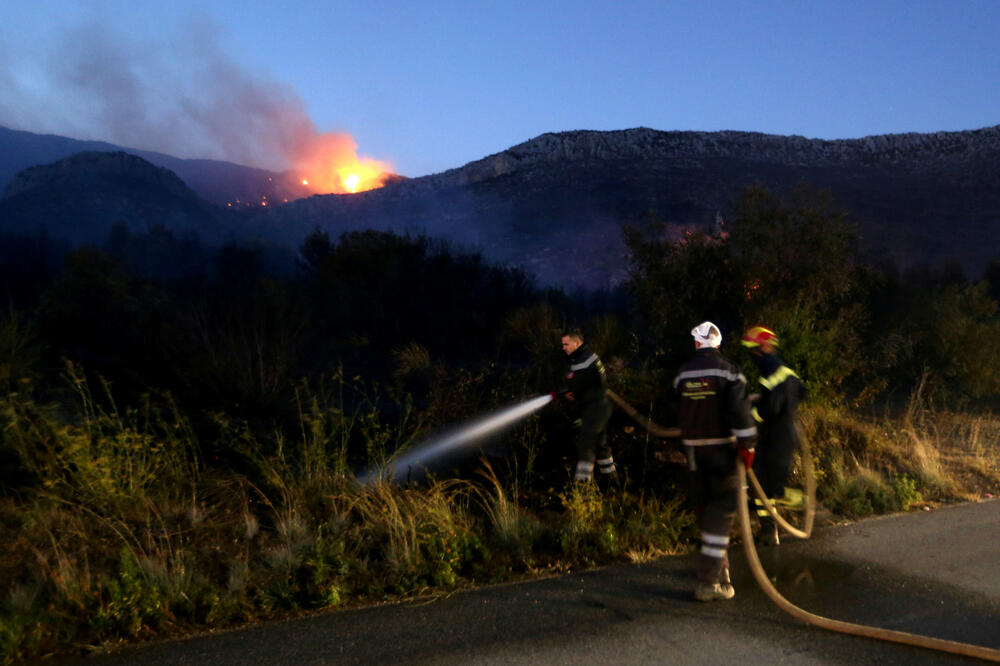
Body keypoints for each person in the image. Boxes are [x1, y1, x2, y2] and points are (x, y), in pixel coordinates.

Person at [673, 321, 757, 601]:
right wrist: (748, 447)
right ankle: (708, 584)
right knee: (720, 515)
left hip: (694, 454)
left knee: (705, 513)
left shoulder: (683, 372)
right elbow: (741, 413)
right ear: (718, 344)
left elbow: (676, 408)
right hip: (723, 452)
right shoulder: (730, 371)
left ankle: (721, 573)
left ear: (697, 343)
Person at [741, 325, 808, 546]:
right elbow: (801, 392)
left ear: (764, 347)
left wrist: (747, 414)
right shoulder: (784, 370)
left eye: (754, 350)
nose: (754, 356)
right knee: (763, 484)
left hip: (775, 439)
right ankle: (769, 529)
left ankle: (799, 504)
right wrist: (762, 397)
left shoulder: (771, 372)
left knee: (767, 487)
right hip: (780, 437)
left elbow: (770, 409)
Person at [560, 329, 617, 486]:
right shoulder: (586, 357)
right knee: (601, 444)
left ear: (577, 343)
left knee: (586, 444)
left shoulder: (582, 361)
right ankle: (611, 482)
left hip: (595, 409)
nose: (564, 347)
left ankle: (583, 488)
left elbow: (575, 387)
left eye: (566, 344)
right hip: (601, 406)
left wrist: (566, 391)